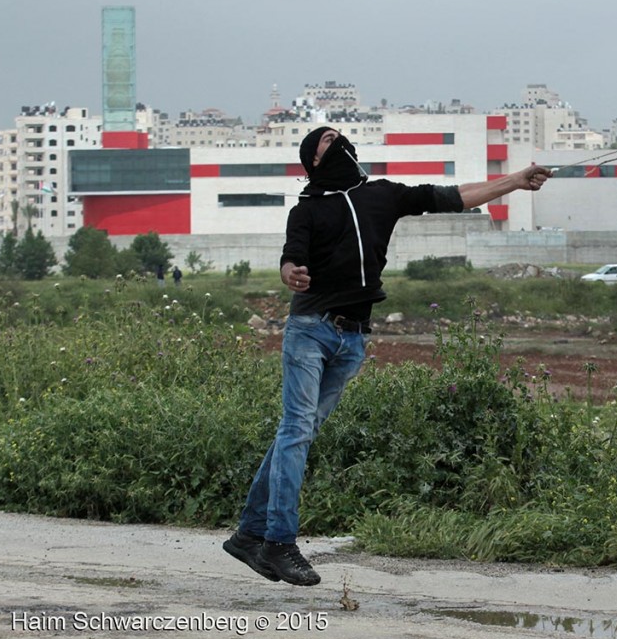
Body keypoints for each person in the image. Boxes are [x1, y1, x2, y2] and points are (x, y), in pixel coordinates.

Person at [223, 126, 551, 586]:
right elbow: (290, 258)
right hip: (310, 331)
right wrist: (290, 273)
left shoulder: (383, 195)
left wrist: (514, 180)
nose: (337, 141)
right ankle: (278, 542)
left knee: (297, 434)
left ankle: (247, 536)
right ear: (313, 162)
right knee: (295, 431)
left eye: (340, 137)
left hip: (353, 338)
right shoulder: (307, 209)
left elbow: (453, 196)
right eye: (326, 139)